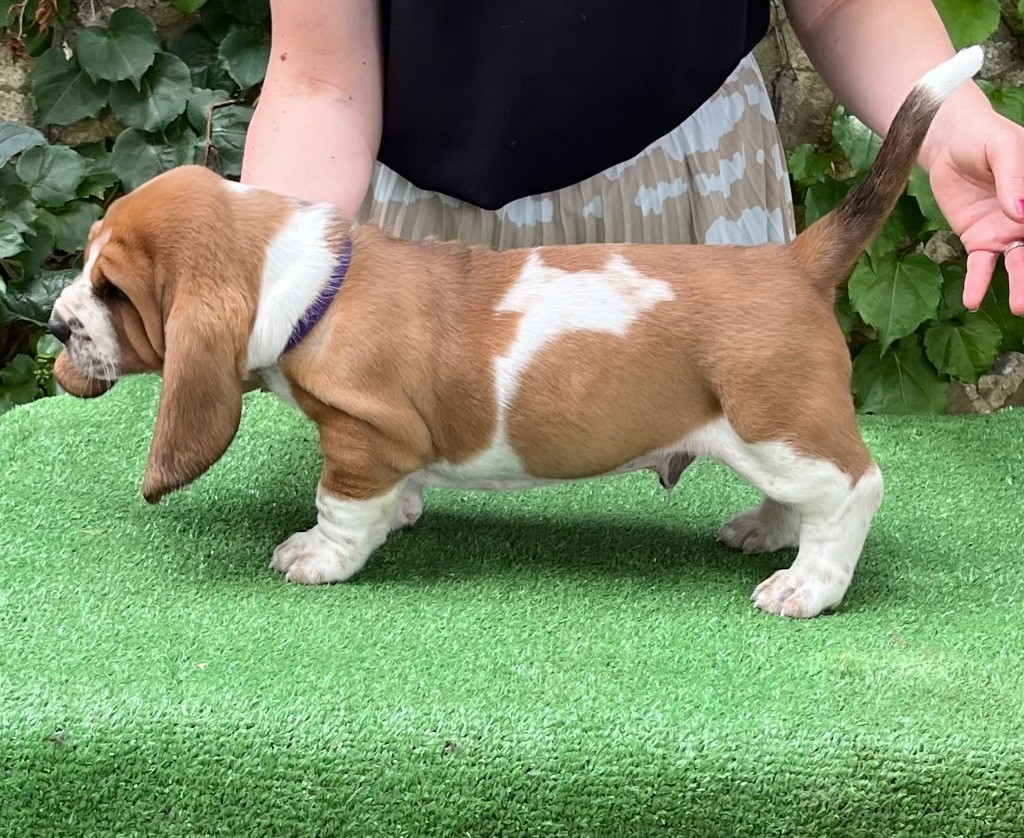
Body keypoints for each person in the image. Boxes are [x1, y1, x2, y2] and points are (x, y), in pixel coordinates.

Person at [240, 0, 1024, 316]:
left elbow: (841, 3)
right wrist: (257, 278)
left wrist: (953, 124)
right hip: (416, 259)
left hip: (690, 219)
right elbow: (321, 84)